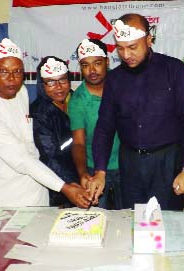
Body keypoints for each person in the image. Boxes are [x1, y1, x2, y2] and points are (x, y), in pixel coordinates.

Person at [92, 14, 184, 210]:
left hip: (167, 164)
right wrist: (100, 170)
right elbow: (105, 127)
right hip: (131, 165)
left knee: (168, 225)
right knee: (133, 223)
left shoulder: (174, 70)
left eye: (132, 47)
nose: (126, 55)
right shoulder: (115, 79)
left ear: (149, 40)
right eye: (120, 48)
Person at [0, 38, 91, 208]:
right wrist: (65, 187)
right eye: (4, 71)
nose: (12, 78)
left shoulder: (21, 92)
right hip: (4, 199)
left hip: (38, 191)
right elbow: (21, 159)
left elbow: (29, 145)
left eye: (18, 71)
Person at [69, 39, 122, 210]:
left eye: (97, 63)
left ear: (107, 62)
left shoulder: (123, 85)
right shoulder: (77, 100)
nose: (92, 70)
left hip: (128, 164)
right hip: (94, 169)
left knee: (130, 218)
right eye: (85, 65)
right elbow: (78, 142)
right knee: (97, 220)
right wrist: (83, 173)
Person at [30, 56, 78, 207]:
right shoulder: (39, 113)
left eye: (62, 80)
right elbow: (50, 157)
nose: (58, 87)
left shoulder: (76, 100)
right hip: (59, 185)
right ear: (42, 85)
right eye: (50, 82)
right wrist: (73, 184)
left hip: (83, 173)